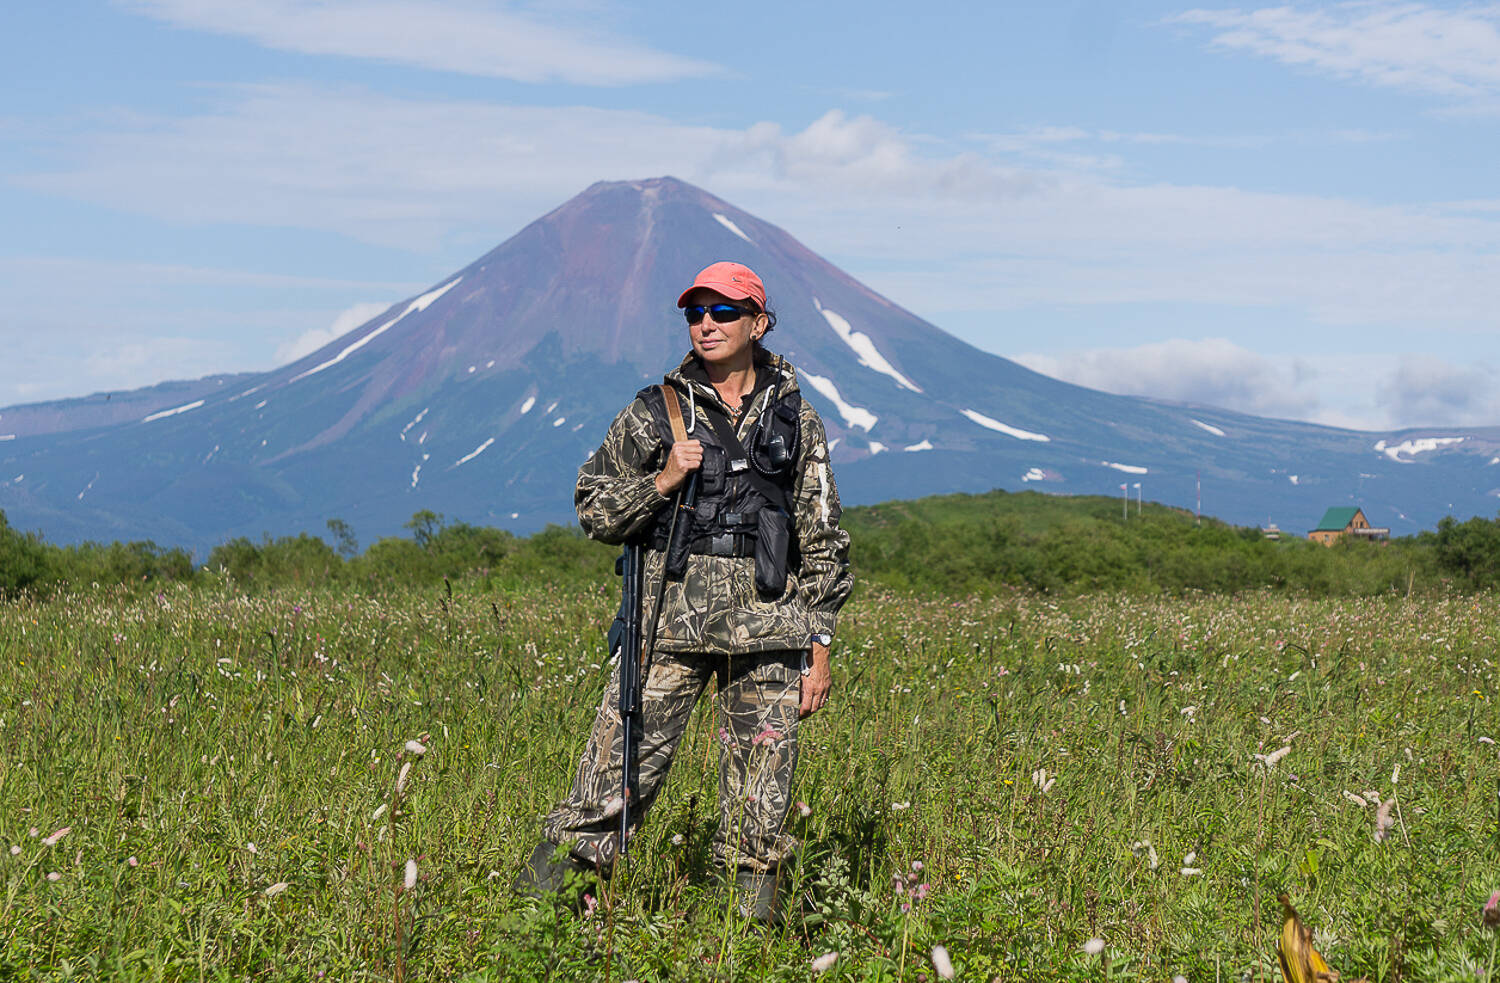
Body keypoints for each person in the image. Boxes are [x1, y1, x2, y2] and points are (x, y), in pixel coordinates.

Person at [516, 261, 853, 922]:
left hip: (770, 632)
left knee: (761, 807)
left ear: (757, 322)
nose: (707, 324)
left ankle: (743, 946)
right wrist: (663, 480)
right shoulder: (656, 411)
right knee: (608, 788)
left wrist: (820, 643)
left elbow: (822, 535)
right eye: (696, 312)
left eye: (724, 311)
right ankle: (538, 932)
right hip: (665, 628)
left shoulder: (796, 417)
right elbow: (593, 509)